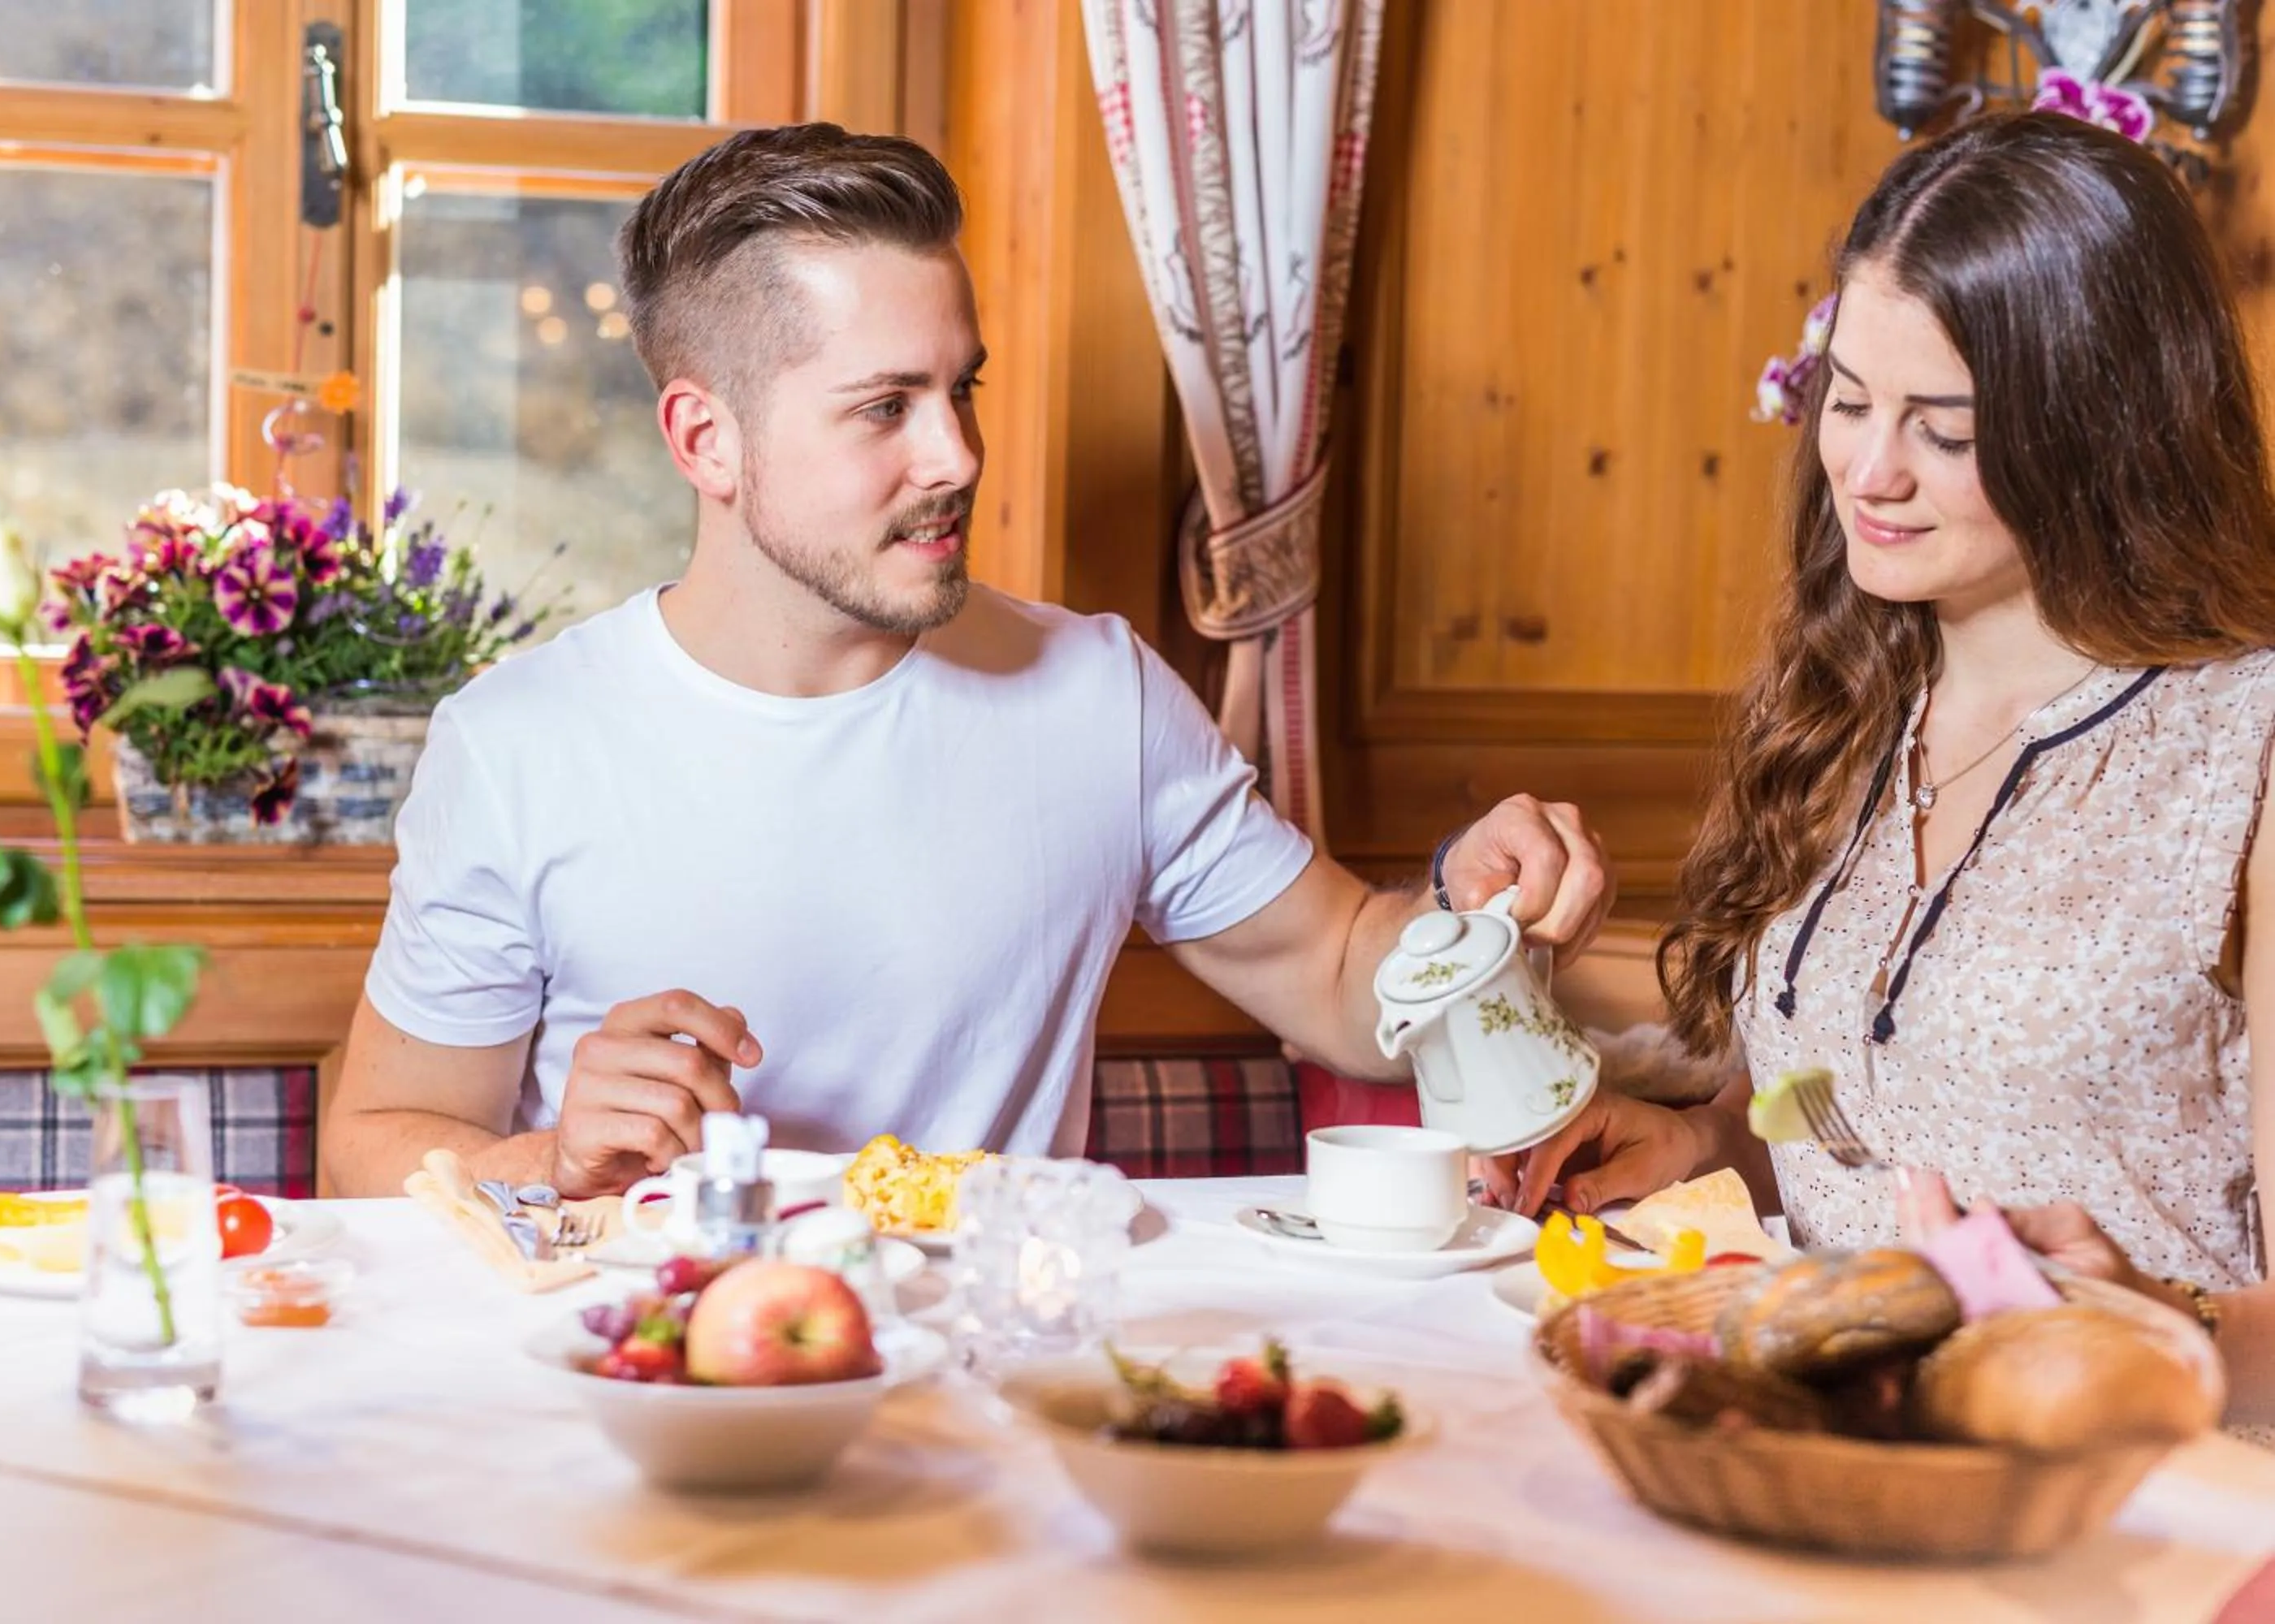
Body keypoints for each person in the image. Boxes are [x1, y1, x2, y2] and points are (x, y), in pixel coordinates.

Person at [321, 124, 1615, 1201]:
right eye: (886, 407)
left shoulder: (1098, 693)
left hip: (999, 1382)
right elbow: (370, 1145)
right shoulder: (520, 744)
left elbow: (1336, 976)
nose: (956, 457)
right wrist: (552, 1157)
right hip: (656, 1380)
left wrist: (1474, 900)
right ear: (706, 439)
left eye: (964, 390)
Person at [1483, 113, 2273, 1432]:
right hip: (1835, 1453)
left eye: (1943, 431)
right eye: (1848, 401)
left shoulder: (2244, 747)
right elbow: (1858, 1113)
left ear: (2105, 429)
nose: (1867, 469)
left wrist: (2153, 1320)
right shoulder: (1849, 704)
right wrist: (1703, 1142)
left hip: (2142, 1485)